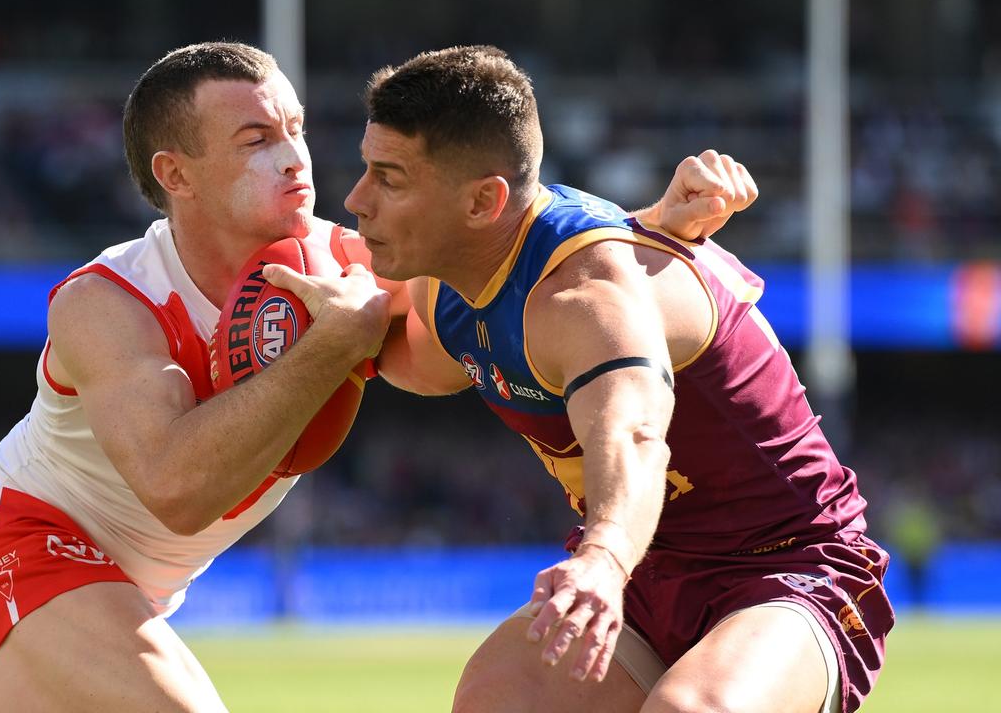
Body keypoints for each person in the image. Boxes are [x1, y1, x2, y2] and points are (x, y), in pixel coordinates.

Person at [0, 42, 752, 713]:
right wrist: (330, 347)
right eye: (255, 140)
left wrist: (643, 233)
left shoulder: (348, 262)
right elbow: (176, 487)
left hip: (123, 592)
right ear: (175, 176)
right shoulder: (108, 300)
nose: (294, 158)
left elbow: (495, 299)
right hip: (3, 554)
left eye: (296, 128)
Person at [309, 46, 892, 713]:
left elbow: (635, 436)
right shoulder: (451, 296)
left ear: (482, 201)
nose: (356, 199)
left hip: (787, 568)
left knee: (691, 710)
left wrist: (603, 561)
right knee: (497, 698)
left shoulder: (588, 297)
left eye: (390, 178)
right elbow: (407, 361)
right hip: (648, 568)